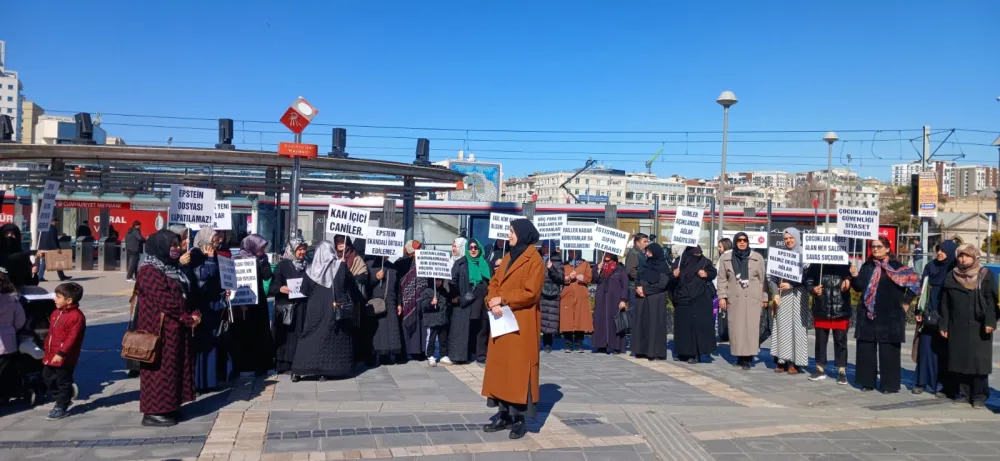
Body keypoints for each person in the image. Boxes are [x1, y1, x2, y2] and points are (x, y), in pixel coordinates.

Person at [482, 219, 544, 440]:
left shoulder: (534, 259)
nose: (509, 234)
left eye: (512, 231)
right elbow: (494, 282)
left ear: (523, 234)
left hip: (521, 323)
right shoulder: (508, 256)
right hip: (502, 320)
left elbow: (531, 292)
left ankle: (519, 418)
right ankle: (503, 413)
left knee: (519, 369)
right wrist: (492, 300)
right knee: (502, 368)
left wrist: (503, 299)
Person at [136, 230, 199, 427]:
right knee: (160, 372)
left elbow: (186, 292)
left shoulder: (173, 268)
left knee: (174, 369)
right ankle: (154, 412)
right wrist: (188, 317)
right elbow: (165, 301)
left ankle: (171, 406)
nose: (176, 249)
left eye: (177, 245)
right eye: (172, 245)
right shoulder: (148, 271)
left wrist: (193, 310)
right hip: (158, 331)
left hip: (175, 330)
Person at [850, 236, 919, 393]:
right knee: (866, 349)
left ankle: (889, 385)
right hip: (869, 314)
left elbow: (915, 283)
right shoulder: (867, 266)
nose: (875, 249)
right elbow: (859, 287)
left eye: (879, 246)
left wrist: (906, 303)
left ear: (888, 248)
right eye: (873, 246)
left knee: (889, 352)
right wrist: (854, 276)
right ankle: (867, 382)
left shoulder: (897, 267)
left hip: (890, 315)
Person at [291, 241, 362, 380]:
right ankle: (325, 371)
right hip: (333, 306)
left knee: (309, 336)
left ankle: (298, 368)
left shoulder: (310, 270)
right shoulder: (339, 266)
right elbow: (348, 284)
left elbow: (303, 290)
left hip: (314, 309)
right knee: (330, 337)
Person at [940, 244, 997, 408]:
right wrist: (943, 324)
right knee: (960, 360)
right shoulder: (952, 276)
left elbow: (992, 301)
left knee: (978, 362)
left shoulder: (985, 275)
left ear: (974, 257)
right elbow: (945, 302)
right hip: (957, 324)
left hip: (979, 325)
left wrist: (990, 321)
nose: (962, 259)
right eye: (960, 256)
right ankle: (963, 393)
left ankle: (979, 395)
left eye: (966, 256)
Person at [716, 232, 768, 370]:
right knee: (737, 329)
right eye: (739, 240)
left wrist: (765, 297)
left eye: (745, 240)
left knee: (751, 329)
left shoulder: (757, 258)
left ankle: (748, 357)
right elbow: (722, 279)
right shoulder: (726, 258)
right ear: (735, 242)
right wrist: (722, 296)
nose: (742, 242)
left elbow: (763, 280)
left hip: (752, 299)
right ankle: (739, 356)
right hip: (735, 299)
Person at [914, 241, 957, 397]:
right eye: (938, 250)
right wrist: (919, 309)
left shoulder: (953, 268)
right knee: (925, 349)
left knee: (943, 351)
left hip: (946, 314)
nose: (939, 253)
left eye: (943, 251)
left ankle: (940, 385)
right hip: (929, 313)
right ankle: (921, 382)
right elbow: (923, 288)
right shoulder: (930, 266)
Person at [190, 227, 230, 392]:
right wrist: (211, 259)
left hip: (215, 304)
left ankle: (212, 379)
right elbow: (203, 279)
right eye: (213, 240)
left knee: (214, 340)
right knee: (203, 343)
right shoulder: (195, 256)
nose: (216, 243)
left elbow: (217, 278)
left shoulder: (216, 255)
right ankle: (200, 381)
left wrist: (225, 289)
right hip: (202, 305)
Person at [230, 234, 275, 377]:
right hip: (241, 301)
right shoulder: (237, 259)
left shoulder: (261, 259)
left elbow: (267, 276)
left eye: (263, 247)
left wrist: (263, 262)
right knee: (243, 332)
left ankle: (261, 365)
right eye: (260, 247)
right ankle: (243, 365)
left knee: (260, 332)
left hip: (258, 300)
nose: (262, 249)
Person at [42, 282, 86, 421]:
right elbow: (51, 333)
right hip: (50, 353)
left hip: (65, 357)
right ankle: (62, 396)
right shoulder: (56, 313)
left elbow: (71, 338)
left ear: (69, 300)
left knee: (63, 380)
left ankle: (62, 405)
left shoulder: (76, 317)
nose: (54, 299)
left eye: (58, 296)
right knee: (46, 376)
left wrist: (61, 353)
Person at [769, 228, 810, 374]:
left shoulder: (805, 255)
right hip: (783, 296)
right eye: (786, 238)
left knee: (797, 328)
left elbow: (807, 278)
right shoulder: (780, 255)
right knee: (782, 327)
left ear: (797, 238)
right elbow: (773, 278)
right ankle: (782, 360)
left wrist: (792, 285)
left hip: (799, 296)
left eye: (791, 238)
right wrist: (775, 294)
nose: (788, 240)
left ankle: (794, 362)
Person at [805, 262, 852, 384]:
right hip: (822, 307)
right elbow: (808, 280)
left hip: (840, 308)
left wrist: (849, 278)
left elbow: (855, 281)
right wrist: (812, 289)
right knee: (820, 341)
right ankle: (820, 369)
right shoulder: (816, 263)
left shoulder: (845, 263)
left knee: (841, 342)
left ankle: (842, 371)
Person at [670, 246, 717, 363]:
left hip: (700, 299)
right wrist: (674, 275)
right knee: (683, 327)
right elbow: (671, 280)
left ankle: (696, 353)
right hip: (682, 299)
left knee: (698, 327)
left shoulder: (705, 262)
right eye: (694, 254)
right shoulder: (679, 263)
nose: (697, 256)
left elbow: (713, 273)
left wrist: (706, 274)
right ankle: (683, 352)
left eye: (699, 254)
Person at [271, 239, 309, 379]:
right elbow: (273, 287)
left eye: (304, 249)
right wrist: (281, 288)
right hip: (287, 307)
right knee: (287, 336)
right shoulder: (283, 265)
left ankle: (298, 364)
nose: (302, 252)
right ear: (292, 250)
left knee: (299, 335)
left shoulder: (307, 265)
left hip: (302, 307)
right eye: (299, 249)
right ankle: (285, 364)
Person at [451, 238, 492, 363]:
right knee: (469, 328)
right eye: (471, 247)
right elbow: (454, 281)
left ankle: (481, 355)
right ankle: (466, 354)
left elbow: (493, 281)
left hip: (484, 301)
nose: (473, 249)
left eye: (475, 247)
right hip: (469, 301)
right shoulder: (461, 263)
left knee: (483, 327)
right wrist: (457, 297)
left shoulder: (485, 263)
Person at [632, 243, 673, 360]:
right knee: (642, 323)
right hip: (642, 298)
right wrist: (638, 287)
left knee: (654, 324)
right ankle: (641, 350)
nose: (647, 254)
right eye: (647, 252)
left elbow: (662, 284)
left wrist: (645, 290)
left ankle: (653, 351)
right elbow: (638, 277)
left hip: (655, 299)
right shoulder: (645, 264)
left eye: (650, 252)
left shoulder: (663, 267)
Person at [333, 236, 370, 365]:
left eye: (342, 241)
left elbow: (363, 276)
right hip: (335, 298)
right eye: (338, 242)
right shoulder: (332, 257)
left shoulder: (356, 258)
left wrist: (347, 273)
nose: (340, 244)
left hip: (352, 299)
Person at [367, 255, 403, 365]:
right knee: (379, 330)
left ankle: (389, 354)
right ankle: (377, 355)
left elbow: (398, 287)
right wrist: (376, 278)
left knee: (390, 329)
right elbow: (366, 284)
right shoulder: (370, 265)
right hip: (377, 303)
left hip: (391, 302)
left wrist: (399, 303)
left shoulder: (393, 267)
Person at [592, 253, 628, 354]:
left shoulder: (620, 268)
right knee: (600, 320)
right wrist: (598, 270)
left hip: (615, 299)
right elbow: (594, 279)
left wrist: (623, 299)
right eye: (605, 256)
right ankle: (601, 345)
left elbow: (625, 284)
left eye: (609, 257)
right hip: (602, 298)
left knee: (615, 322)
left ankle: (616, 346)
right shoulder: (600, 267)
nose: (606, 259)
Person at [397, 240, 426, 361]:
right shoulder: (401, 263)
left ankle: (419, 351)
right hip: (405, 299)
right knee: (405, 324)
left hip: (420, 299)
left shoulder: (424, 262)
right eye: (415, 251)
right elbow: (398, 282)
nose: (417, 253)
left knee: (420, 326)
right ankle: (404, 352)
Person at [560, 250, 593, 353]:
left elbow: (589, 278)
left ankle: (579, 344)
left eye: (573, 252)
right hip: (568, 294)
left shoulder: (585, 264)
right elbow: (560, 278)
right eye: (570, 252)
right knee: (567, 319)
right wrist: (568, 278)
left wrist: (582, 278)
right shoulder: (564, 264)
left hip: (580, 294)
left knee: (580, 318)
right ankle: (568, 344)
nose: (571, 254)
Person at [0, 270, 25, 404]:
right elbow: (20, 321)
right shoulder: (13, 300)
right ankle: (4, 395)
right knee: (5, 370)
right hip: (7, 342)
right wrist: (10, 329)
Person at [421, 278, 454, 366]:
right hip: (432, 319)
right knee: (432, 339)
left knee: (443, 339)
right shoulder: (427, 291)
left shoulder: (443, 291)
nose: (438, 282)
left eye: (440, 280)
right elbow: (423, 305)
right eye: (436, 280)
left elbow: (446, 302)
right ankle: (430, 356)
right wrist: (431, 303)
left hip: (442, 319)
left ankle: (443, 355)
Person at [538, 242, 563, 353]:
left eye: (547, 247)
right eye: (543, 247)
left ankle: (548, 343)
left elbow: (560, 277)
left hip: (551, 292)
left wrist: (551, 268)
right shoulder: (537, 258)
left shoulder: (557, 260)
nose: (545, 249)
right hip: (538, 292)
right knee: (538, 318)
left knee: (549, 318)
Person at [0, 223, 39, 288]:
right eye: (6, 234)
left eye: (13, 234)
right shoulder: (23, 255)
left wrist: (33, 272)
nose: (9, 237)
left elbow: (31, 282)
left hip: (19, 292)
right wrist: (31, 252)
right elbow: (8, 259)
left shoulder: (23, 257)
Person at [38, 217, 70, 282]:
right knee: (56, 261)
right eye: (56, 221)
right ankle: (61, 276)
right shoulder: (53, 228)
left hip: (44, 247)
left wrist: (40, 248)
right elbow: (53, 239)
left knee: (45, 262)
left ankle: (40, 277)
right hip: (50, 248)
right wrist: (57, 248)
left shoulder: (45, 228)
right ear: (53, 221)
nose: (57, 223)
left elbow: (41, 238)